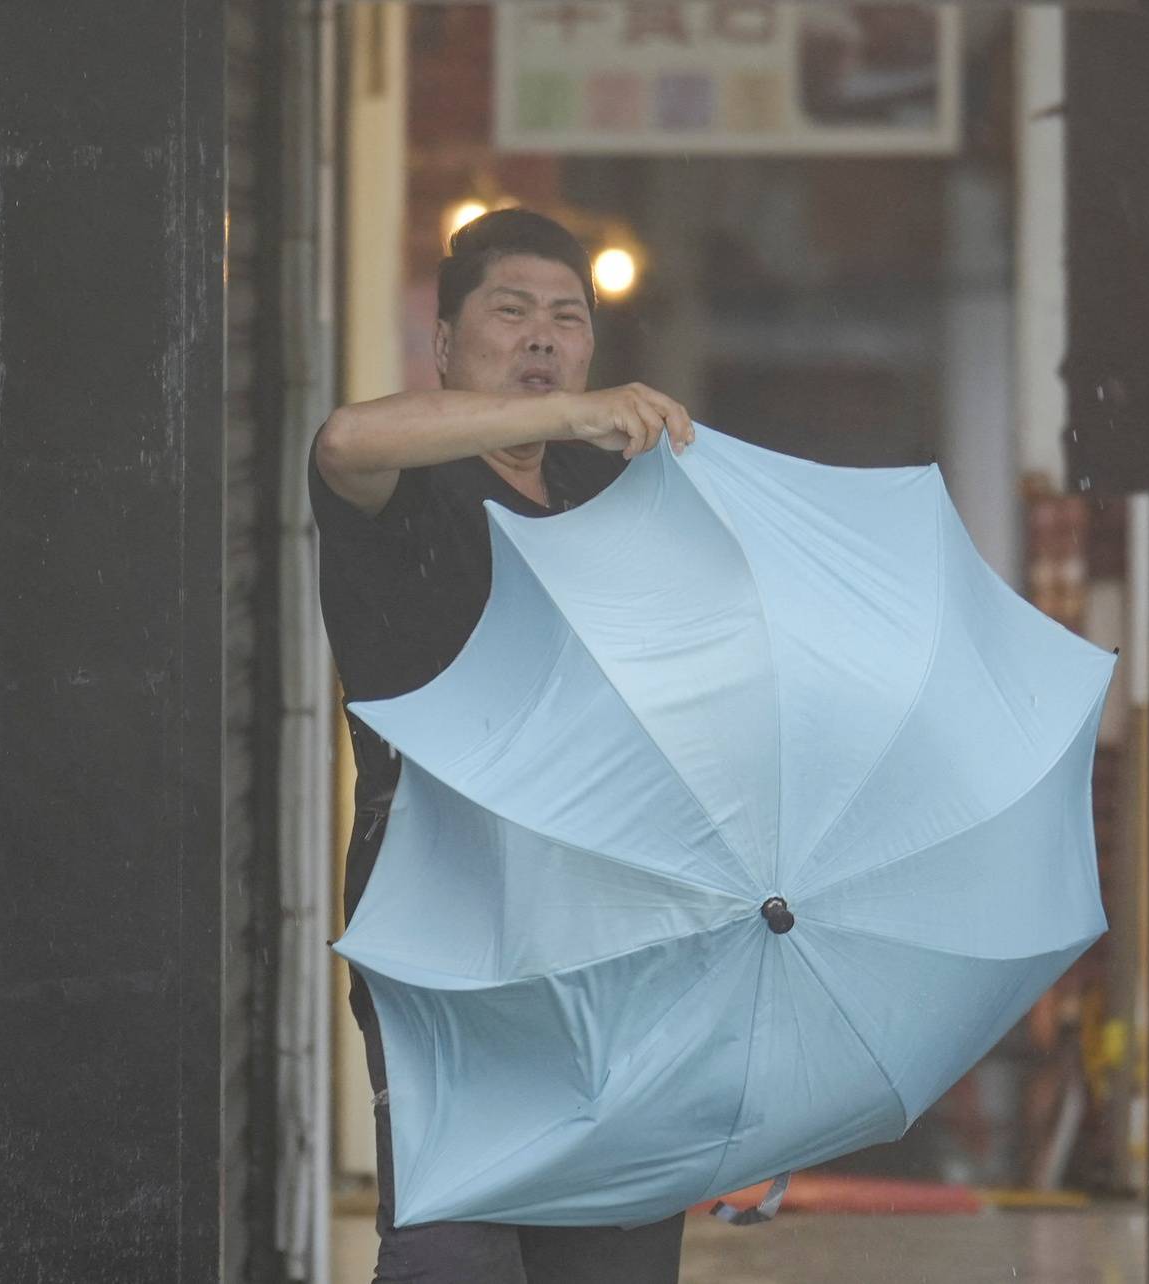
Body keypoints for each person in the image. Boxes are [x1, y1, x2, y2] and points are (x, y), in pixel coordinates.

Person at [309, 208, 696, 1283]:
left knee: (616, 1260)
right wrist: (576, 413)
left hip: (611, 948)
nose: (542, 335)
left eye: (567, 319)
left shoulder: (604, 497)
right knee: (456, 1258)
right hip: (446, 942)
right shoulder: (404, 485)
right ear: (443, 344)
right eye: (511, 311)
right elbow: (343, 439)